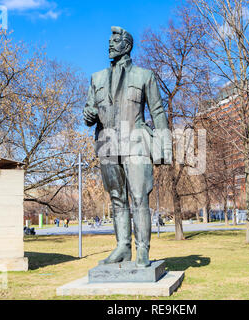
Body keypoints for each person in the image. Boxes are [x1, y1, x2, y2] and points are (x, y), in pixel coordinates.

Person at [83, 26, 172, 267]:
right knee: (116, 198)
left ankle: (142, 249)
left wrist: (164, 149)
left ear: (127, 46)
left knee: (139, 197)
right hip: (108, 144)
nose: (110, 45)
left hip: (136, 142)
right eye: (109, 41)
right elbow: (88, 110)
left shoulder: (145, 75)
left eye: (115, 41)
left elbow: (158, 111)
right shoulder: (97, 78)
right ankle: (122, 247)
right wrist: (89, 113)